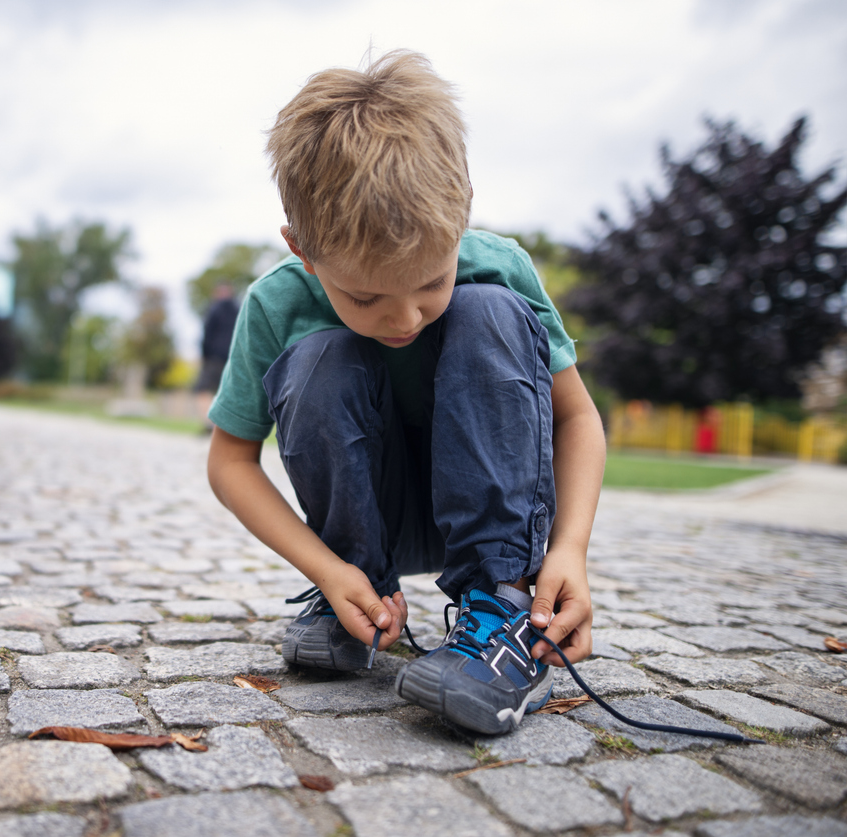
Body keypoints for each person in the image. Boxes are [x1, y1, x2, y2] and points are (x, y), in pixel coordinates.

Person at [205, 50, 606, 736]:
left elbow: (578, 419)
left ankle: (504, 610)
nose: (405, 318)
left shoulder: (500, 267)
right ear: (301, 248)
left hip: (494, 509)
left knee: (487, 314)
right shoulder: (277, 303)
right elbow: (229, 460)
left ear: (461, 218)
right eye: (364, 295)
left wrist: (569, 549)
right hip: (368, 518)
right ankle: (356, 595)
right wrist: (327, 567)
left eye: (430, 284)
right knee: (320, 356)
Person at [194, 282, 240, 432]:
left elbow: (207, 333)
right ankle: (227, 427)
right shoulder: (238, 308)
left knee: (203, 389)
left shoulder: (214, 309)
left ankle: (209, 424)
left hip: (214, 357)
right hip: (234, 356)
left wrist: (204, 355)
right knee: (229, 391)